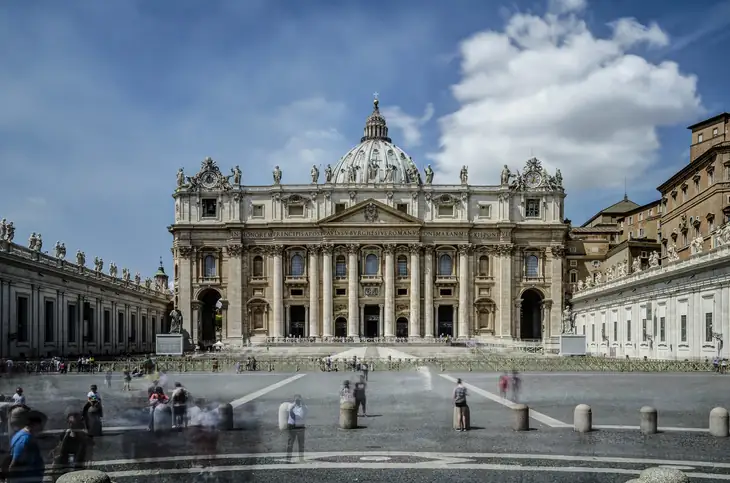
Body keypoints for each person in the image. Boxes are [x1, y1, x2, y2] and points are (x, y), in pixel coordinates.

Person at [6, 410, 45, 483]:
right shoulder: (25, 439)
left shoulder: (24, 435)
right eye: (41, 425)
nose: (42, 428)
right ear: (35, 424)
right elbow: (14, 464)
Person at [286, 395, 307, 463]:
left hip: (299, 426)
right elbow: (291, 412)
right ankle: (288, 458)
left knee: (301, 444)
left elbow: (305, 412)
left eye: (298, 400)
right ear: (294, 400)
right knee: (291, 443)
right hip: (293, 426)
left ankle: (300, 458)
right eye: (296, 400)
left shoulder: (303, 407)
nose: (297, 401)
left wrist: (302, 405)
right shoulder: (291, 406)